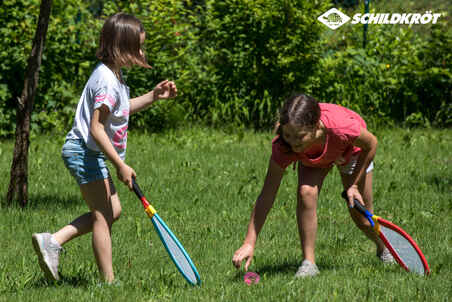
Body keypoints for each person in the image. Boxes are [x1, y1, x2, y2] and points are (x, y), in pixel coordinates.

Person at [31, 13, 177, 283]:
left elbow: (121, 109)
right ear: (121, 48)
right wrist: (120, 165)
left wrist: (153, 96)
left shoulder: (112, 76)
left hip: (88, 152)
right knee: (102, 215)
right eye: (139, 47)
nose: (142, 52)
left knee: (113, 211)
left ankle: (53, 240)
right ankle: (109, 283)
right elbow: (97, 128)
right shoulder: (108, 81)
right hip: (84, 152)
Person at [232, 93, 394, 278]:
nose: (293, 143)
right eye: (287, 135)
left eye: (299, 136)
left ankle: (385, 248)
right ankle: (309, 263)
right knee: (305, 192)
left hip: (350, 151)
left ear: (316, 126)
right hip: (313, 155)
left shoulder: (340, 127)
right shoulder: (285, 145)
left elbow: (371, 143)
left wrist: (354, 186)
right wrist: (249, 242)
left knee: (362, 217)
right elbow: (267, 195)